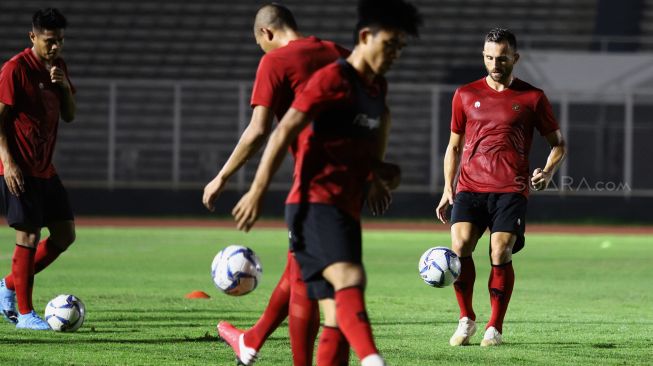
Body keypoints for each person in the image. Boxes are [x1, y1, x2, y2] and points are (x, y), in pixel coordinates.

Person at [232, 0, 421, 364]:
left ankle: (252, 341)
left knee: (335, 318)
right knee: (349, 277)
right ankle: (373, 359)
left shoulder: (375, 88)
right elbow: (282, 130)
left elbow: (377, 127)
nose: (396, 53)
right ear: (365, 36)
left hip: (344, 205)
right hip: (313, 204)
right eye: (390, 44)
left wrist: (378, 174)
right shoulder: (333, 78)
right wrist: (256, 191)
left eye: (401, 47)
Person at [202, 4, 352, 365]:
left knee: (309, 285)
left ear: (266, 33)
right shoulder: (338, 54)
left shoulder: (275, 61)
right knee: (297, 269)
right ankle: (250, 340)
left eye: (260, 44)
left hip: (313, 185)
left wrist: (222, 177)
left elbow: (258, 131)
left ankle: (272, 351)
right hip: (349, 181)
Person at [436, 28, 567, 347]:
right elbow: (454, 147)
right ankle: (466, 319)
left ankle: (494, 326)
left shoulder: (532, 97)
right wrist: (446, 188)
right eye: (490, 57)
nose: (495, 63)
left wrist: (548, 172)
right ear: (483, 56)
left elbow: (558, 144)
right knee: (461, 246)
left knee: (500, 250)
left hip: (511, 188)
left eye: (502, 58)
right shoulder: (465, 94)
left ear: (515, 58)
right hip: (470, 186)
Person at [0, 8, 77, 330]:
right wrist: (8, 162)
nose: (55, 47)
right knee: (28, 235)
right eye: (49, 41)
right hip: (19, 167)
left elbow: (70, 115)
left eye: (59, 40)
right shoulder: (15, 69)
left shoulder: (58, 68)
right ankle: (26, 314)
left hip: (45, 167)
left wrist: (62, 87)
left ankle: (6, 285)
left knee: (64, 234)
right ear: (33, 37)